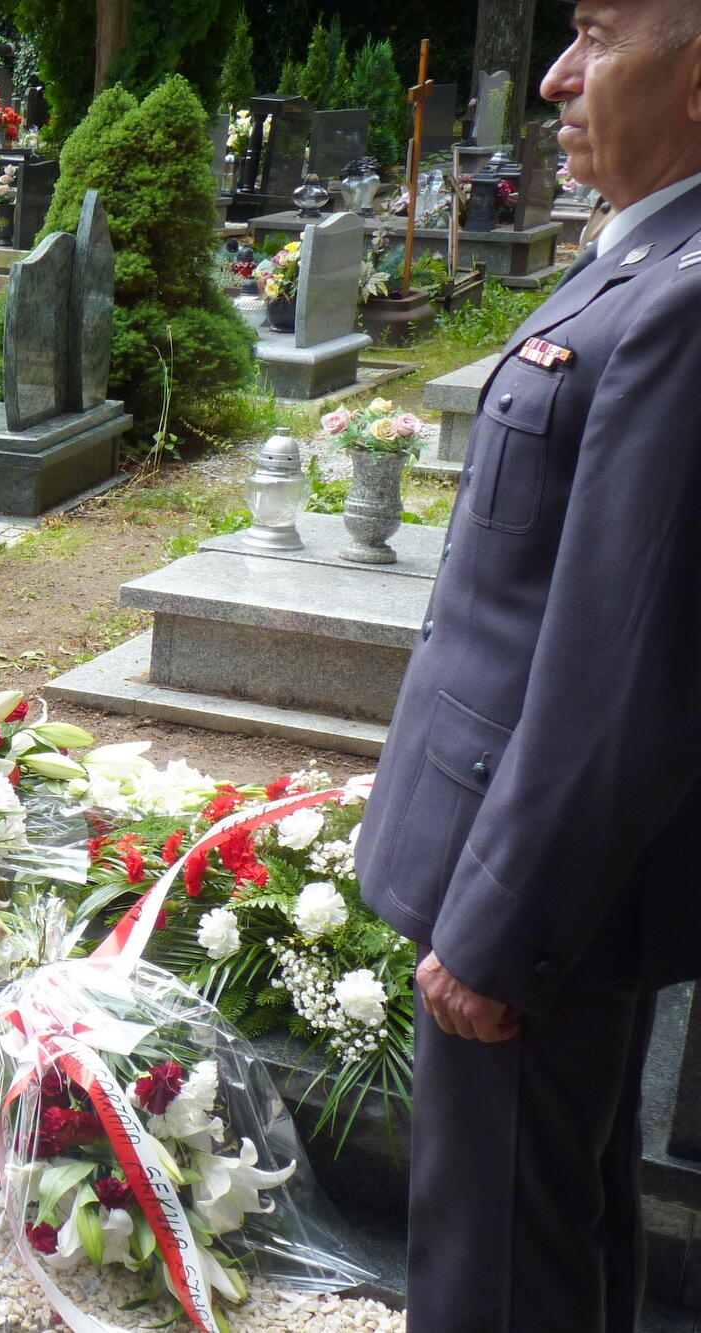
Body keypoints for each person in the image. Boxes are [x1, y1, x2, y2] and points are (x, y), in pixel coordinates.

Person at [354, 2, 701, 1329]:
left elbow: (623, 662)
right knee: (555, 1230)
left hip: (535, 903)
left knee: (495, 1265)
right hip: (545, 882)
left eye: (597, 38)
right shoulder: (643, 255)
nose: (557, 78)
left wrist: (500, 928)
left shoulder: (683, 298)